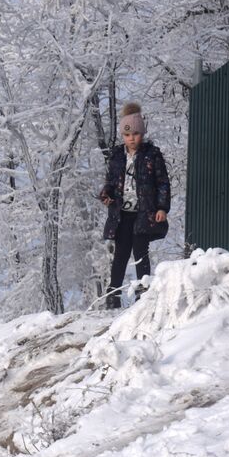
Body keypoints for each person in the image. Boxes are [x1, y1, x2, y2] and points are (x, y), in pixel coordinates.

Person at [99, 102, 171, 308]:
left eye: (136, 134)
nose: (132, 139)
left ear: (142, 133)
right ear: (123, 135)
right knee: (120, 255)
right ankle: (113, 297)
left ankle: (144, 296)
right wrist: (106, 194)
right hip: (121, 214)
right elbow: (111, 183)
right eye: (128, 135)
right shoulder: (117, 157)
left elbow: (163, 183)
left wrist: (161, 208)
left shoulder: (152, 155)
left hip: (144, 213)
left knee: (141, 252)